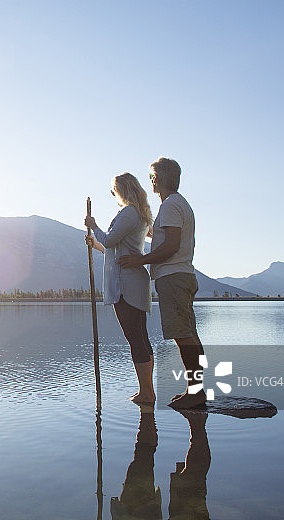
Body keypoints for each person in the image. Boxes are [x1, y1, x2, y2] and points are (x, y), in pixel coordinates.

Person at [120, 157, 205, 409]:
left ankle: (196, 392)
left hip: (174, 277)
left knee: (183, 336)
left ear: (158, 179)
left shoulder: (171, 205)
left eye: (152, 176)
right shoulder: (177, 204)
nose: (151, 181)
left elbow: (170, 246)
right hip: (180, 276)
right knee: (189, 335)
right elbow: (162, 237)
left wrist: (140, 260)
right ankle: (196, 389)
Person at [85, 173, 154, 404]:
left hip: (127, 284)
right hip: (133, 280)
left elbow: (110, 240)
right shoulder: (137, 213)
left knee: (135, 337)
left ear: (122, 190)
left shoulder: (129, 212)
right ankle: (147, 390)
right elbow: (115, 248)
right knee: (141, 336)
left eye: (114, 190)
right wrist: (96, 245)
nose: (113, 194)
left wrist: (94, 226)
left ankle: (147, 392)